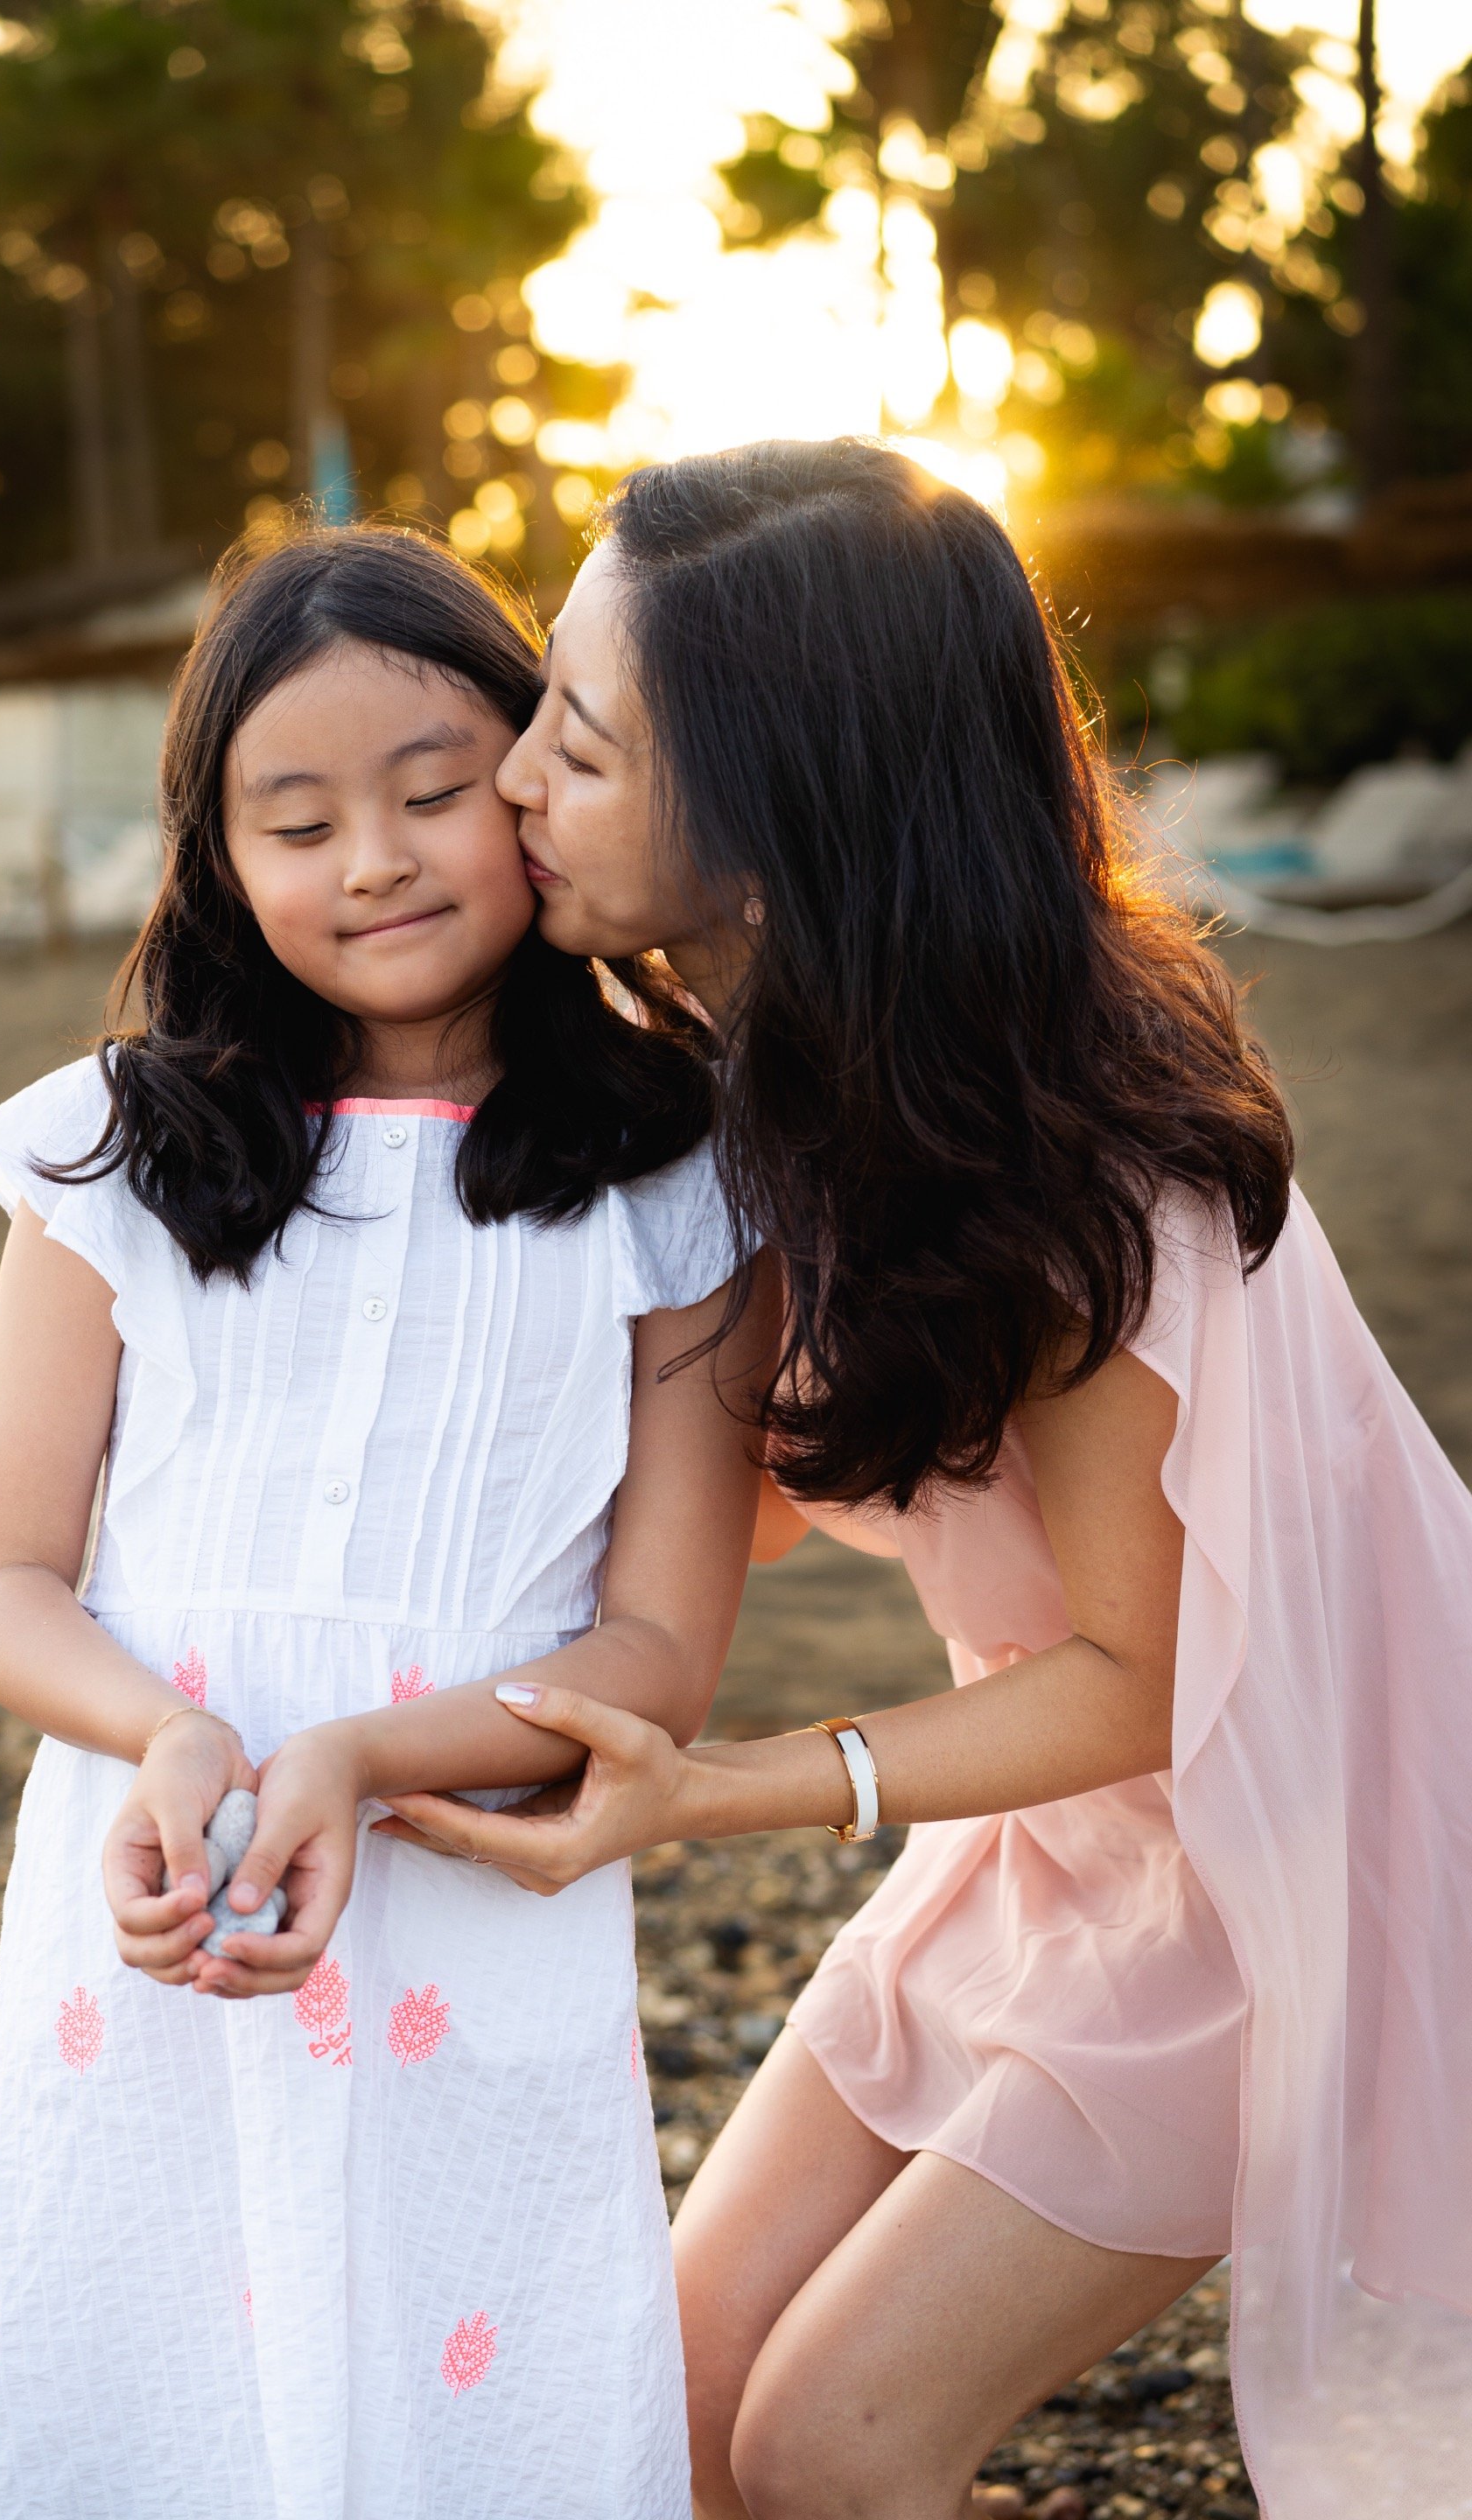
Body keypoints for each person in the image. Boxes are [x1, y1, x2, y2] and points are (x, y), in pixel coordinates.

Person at [375, 440, 1472, 2520]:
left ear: (781, 842)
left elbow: (1152, 1680)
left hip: (1284, 1863)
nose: (513, 779)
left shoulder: (1083, 1170)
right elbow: (766, 1487)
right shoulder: (772, 1073)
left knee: (829, 2444)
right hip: (1042, 1845)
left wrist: (720, 1788)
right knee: (673, 2404)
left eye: (581, 752)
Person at [0, 525, 774, 2520]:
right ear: (217, 855)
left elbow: (660, 1649)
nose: (376, 862)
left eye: (431, 795)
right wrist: (170, 1735)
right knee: (156, 2375)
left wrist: (364, 1752)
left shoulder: (678, 1173)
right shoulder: (111, 1148)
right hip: (159, 1878)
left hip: (462, 1867)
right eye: (297, 821)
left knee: (465, 2388)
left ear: (536, 785)